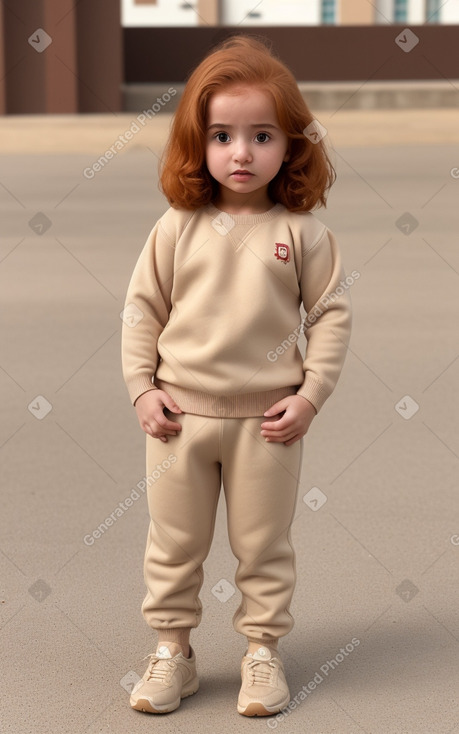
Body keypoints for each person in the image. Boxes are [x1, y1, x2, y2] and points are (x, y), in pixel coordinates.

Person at [121, 34, 352, 718]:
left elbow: (331, 315)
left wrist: (310, 395)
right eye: (221, 135)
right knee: (173, 543)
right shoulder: (175, 226)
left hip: (268, 426)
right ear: (199, 141)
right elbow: (141, 309)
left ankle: (261, 653)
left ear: (292, 145)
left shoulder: (303, 232)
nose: (241, 152)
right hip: (177, 420)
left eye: (261, 135)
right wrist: (143, 386)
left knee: (263, 546)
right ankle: (172, 654)